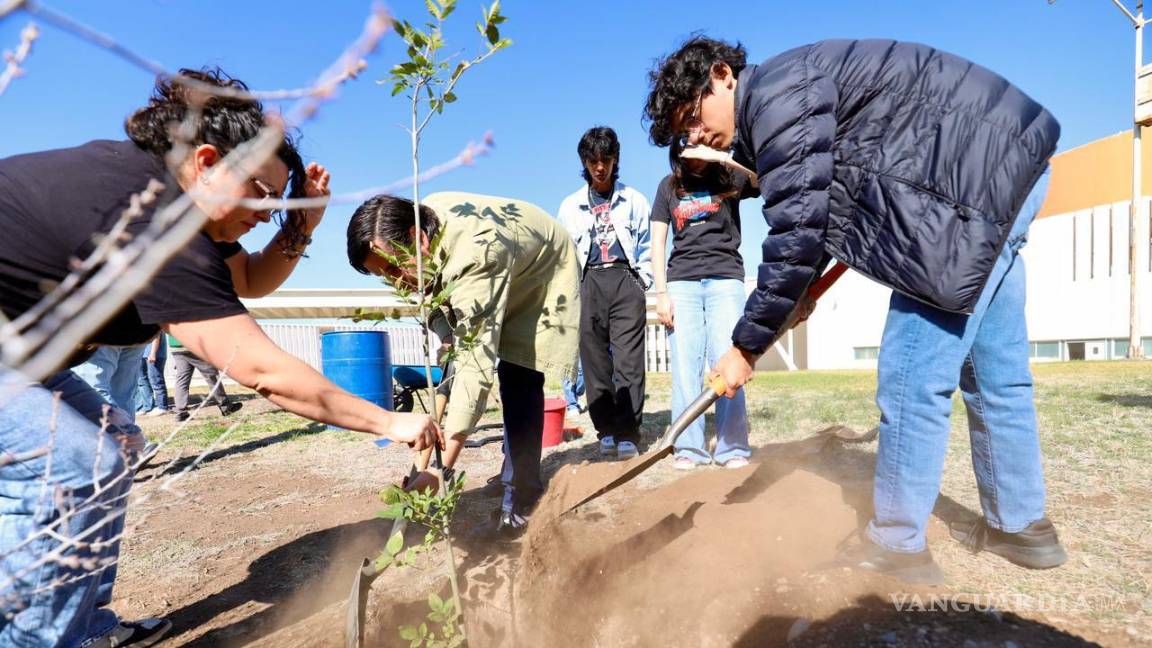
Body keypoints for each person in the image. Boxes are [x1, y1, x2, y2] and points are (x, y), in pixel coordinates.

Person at [0, 68, 440, 648]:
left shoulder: (177, 201)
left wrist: (300, 227)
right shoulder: (156, 221)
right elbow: (258, 369)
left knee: (121, 443)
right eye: (263, 195)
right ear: (208, 162)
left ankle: (84, 626)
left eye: (281, 201)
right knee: (80, 464)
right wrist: (387, 419)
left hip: (21, 351)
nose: (267, 213)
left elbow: (251, 280)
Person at [644, 37, 1067, 584]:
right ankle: (1022, 526)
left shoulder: (775, 94)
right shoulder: (793, 86)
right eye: (684, 133)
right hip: (1006, 172)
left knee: (913, 376)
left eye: (693, 117)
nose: (696, 137)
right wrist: (805, 292)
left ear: (722, 74)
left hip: (959, 195)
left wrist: (745, 347)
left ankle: (896, 543)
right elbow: (824, 206)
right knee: (995, 373)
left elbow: (797, 228)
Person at [347, 191, 580, 537]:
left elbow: (475, 366)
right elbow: (434, 296)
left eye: (396, 268)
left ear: (417, 237)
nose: (396, 282)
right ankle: (510, 476)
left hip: (541, 270)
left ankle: (522, 497)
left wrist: (441, 472)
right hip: (498, 262)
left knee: (518, 373)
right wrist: (445, 336)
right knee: (461, 358)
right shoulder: (417, 231)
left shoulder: (474, 253)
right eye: (384, 275)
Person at [650, 143, 758, 470]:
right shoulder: (668, 186)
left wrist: (723, 158)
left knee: (728, 360)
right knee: (686, 367)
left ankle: (731, 447)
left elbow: (765, 179)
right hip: (682, 282)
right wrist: (661, 293)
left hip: (725, 279)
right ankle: (689, 447)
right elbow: (658, 241)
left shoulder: (729, 176)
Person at [557, 126, 652, 461]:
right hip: (588, 283)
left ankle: (628, 432)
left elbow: (646, 245)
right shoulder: (569, 206)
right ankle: (607, 429)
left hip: (625, 281)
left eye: (606, 159)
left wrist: (642, 283)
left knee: (628, 361)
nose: (600, 167)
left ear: (615, 160)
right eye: (593, 160)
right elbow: (564, 254)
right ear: (585, 162)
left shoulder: (635, 200)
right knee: (594, 361)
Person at [168, 333, 243, 421]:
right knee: (211, 376)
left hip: (176, 347)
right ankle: (225, 406)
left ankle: (180, 412)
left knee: (182, 380)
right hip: (193, 345)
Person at [74, 344, 148, 421]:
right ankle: (126, 430)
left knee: (93, 392)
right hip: (138, 337)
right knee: (124, 396)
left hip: (102, 337)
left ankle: (122, 429)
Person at [136, 335, 170, 417]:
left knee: (156, 380)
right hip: (140, 354)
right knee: (141, 381)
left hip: (155, 354)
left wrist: (153, 353)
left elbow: (156, 337)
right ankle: (147, 406)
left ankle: (162, 407)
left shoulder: (152, 322)